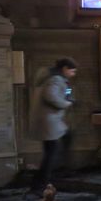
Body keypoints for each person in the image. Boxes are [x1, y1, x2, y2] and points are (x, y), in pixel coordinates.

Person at [31, 57, 78, 193]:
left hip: (52, 121)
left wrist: (68, 98)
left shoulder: (57, 79)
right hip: (50, 121)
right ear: (65, 69)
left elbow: (64, 93)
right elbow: (50, 96)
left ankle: (58, 171)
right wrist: (66, 103)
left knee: (66, 137)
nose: (73, 74)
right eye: (72, 71)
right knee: (51, 153)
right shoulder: (56, 79)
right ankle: (39, 185)